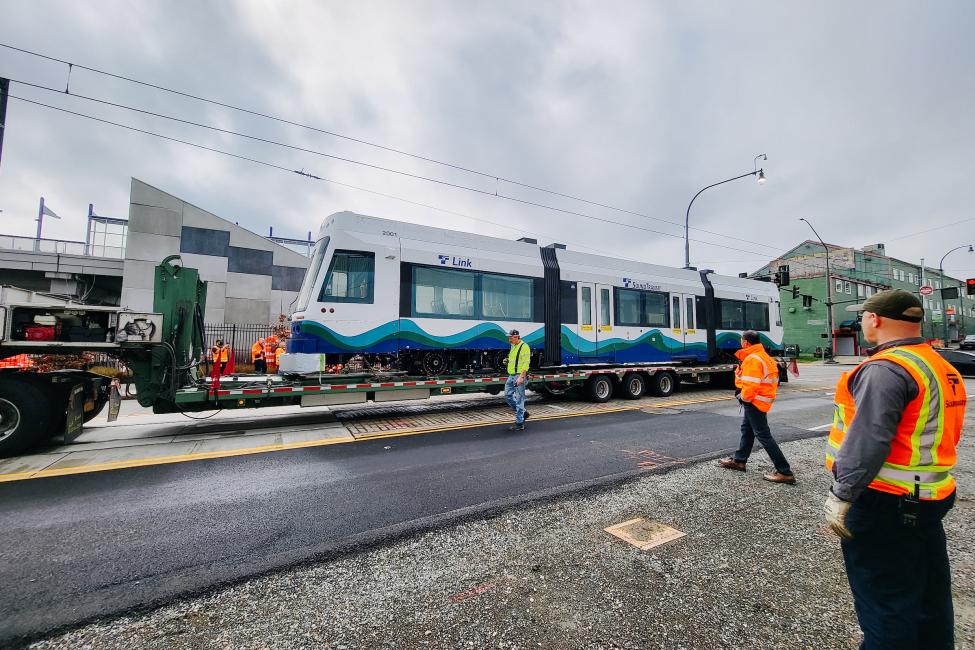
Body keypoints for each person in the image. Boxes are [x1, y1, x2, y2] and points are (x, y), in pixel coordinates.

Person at [824, 289, 966, 650]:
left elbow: (868, 439)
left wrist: (842, 494)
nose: (862, 321)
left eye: (863, 316)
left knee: (886, 607)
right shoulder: (938, 364)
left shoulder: (885, 369)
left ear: (875, 319)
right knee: (929, 602)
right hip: (929, 496)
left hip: (886, 502)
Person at [718, 329, 795, 484]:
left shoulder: (753, 359)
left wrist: (743, 398)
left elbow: (751, 385)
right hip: (761, 400)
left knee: (763, 435)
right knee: (747, 430)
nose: (740, 342)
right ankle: (739, 461)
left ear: (745, 342)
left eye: (741, 340)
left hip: (754, 402)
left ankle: (784, 471)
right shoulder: (764, 357)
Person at [504, 329, 531, 431]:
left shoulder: (524, 347)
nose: (509, 339)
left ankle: (519, 423)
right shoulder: (513, 346)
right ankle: (523, 413)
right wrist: (507, 360)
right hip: (511, 376)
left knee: (520, 400)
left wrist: (521, 377)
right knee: (507, 396)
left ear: (516, 337)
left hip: (519, 376)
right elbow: (514, 359)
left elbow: (525, 363)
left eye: (510, 337)